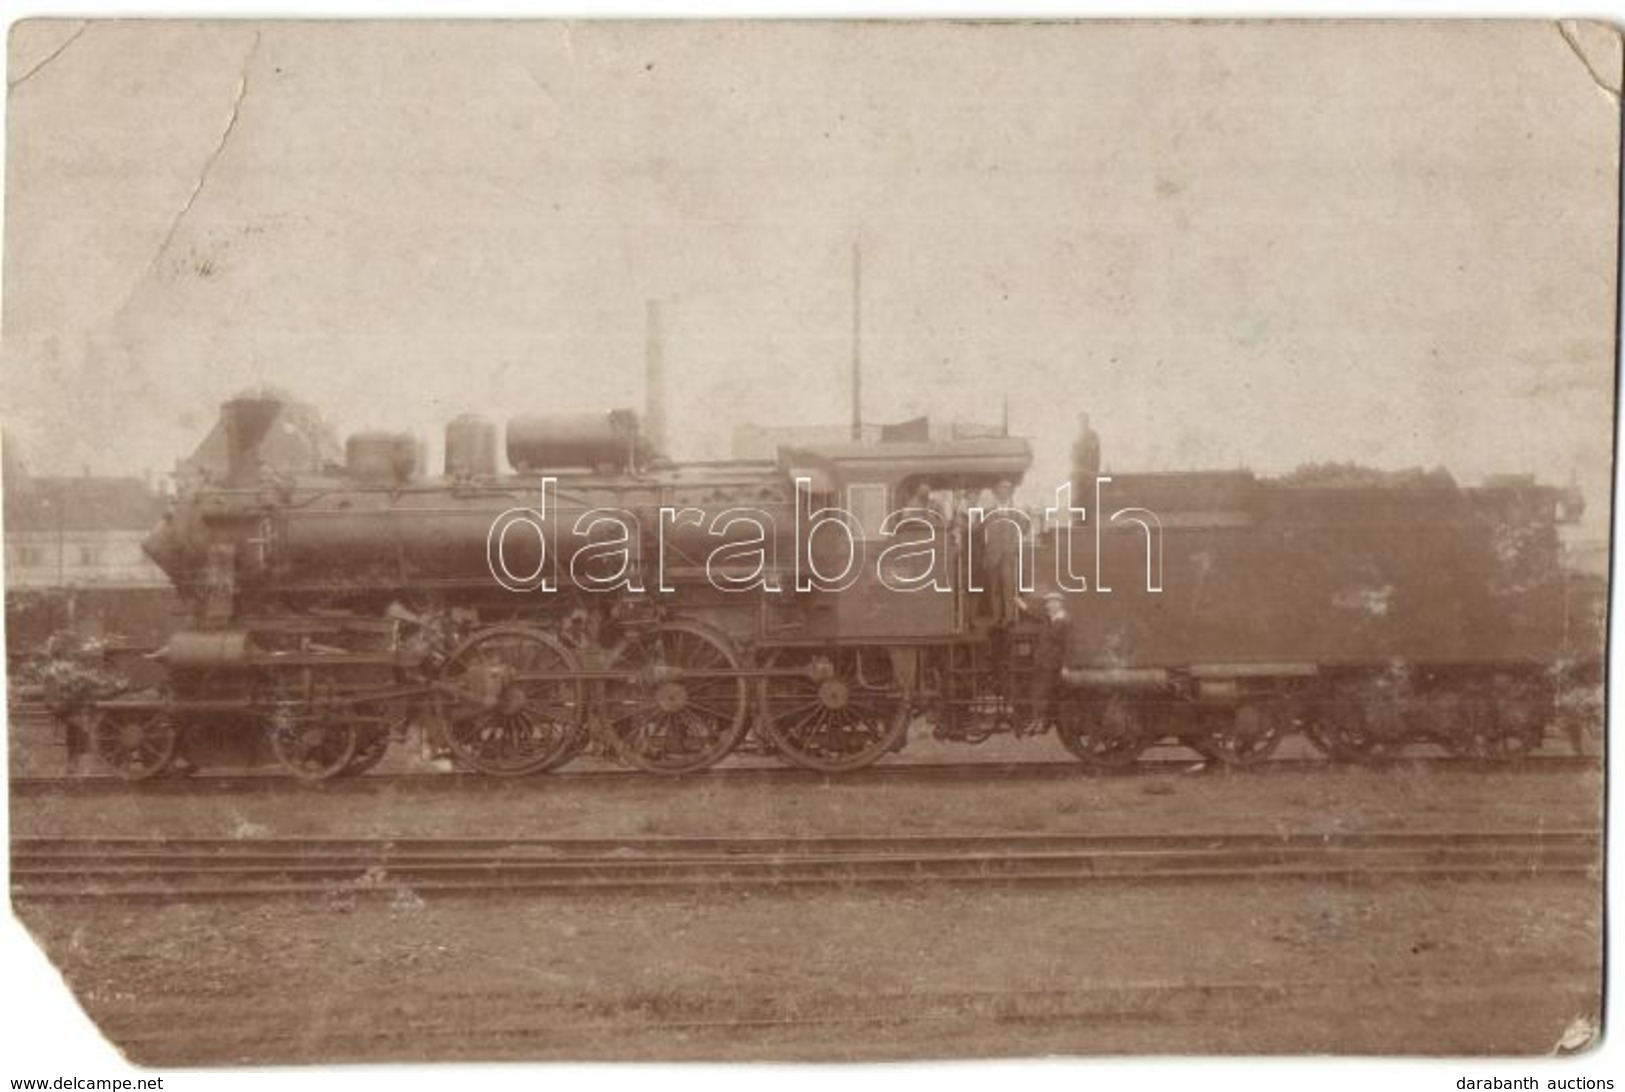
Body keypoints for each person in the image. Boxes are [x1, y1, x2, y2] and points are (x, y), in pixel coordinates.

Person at [982, 479, 1025, 628]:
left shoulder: (1017, 512)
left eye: (1006, 489)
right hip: (993, 555)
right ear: (996, 493)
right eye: (1000, 489)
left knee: (1009, 586)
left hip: (1008, 555)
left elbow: (1024, 529)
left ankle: (1009, 617)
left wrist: (1014, 547)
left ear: (1010, 493)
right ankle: (996, 617)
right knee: (994, 588)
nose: (1003, 492)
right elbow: (978, 531)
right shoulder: (988, 512)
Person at [1025, 592, 1070, 735]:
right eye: (1048, 603)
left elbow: (1067, 645)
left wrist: (1065, 665)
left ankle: (1042, 722)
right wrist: (1022, 605)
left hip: (1053, 663)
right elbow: (1035, 614)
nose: (1049, 605)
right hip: (1042, 662)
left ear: (1059, 604)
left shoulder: (1065, 621)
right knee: (1036, 692)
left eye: (1052, 603)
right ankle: (1036, 720)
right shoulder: (1049, 619)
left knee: (1044, 693)